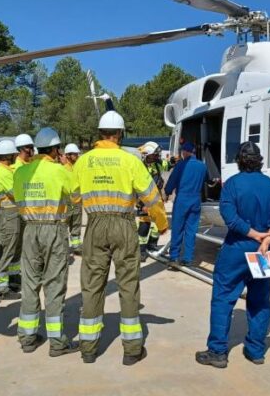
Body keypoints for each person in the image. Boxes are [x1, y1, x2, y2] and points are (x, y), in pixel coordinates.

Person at [73, 111, 169, 365]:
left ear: (100, 133)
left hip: (94, 225)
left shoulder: (84, 161)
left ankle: (88, 349)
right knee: (128, 283)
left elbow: (71, 196)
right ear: (119, 134)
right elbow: (151, 196)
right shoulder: (130, 161)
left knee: (93, 285)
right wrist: (161, 222)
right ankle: (132, 350)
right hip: (123, 225)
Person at [196, 142, 270, 368]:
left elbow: (229, 216)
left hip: (237, 248)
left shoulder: (233, 184)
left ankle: (217, 351)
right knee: (260, 299)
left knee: (223, 298)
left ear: (239, 160)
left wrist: (254, 234)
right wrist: (267, 237)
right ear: (260, 160)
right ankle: (256, 350)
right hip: (265, 249)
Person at [14, 127, 79, 356]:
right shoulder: (58, 171)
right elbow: (76, 193)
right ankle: (57, 342)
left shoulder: (20, 173)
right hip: (53, 228)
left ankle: (27, 337)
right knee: (54, 285)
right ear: (54, 149)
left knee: (30, 284)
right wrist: (66, 166)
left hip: (30, 230)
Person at [164, 141, 210, 269]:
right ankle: (188, 259)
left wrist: (167, 192)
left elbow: (172, 182)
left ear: (184, 152)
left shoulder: (181, 165)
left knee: (177, 229)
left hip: (182, 200)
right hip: (196, 200)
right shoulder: (202, 166)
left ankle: (174, 257)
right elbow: (207, 179)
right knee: (191, 230)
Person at [0, 139, 22, 301]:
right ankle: (1, 289)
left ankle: (12, 281)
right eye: (14, 154)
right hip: (7, 215)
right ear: (9, 155)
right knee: (6, 249)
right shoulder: (3, 173)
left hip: (10, 214)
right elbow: (16, 193)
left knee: (11, 248)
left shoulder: (5, 171)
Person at [136, 141, 164, 262]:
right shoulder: (139, 167)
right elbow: (137, 187)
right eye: (155, 155)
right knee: (144, 226)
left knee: (158, 224)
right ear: (147, 155)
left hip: (156, 200)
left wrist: (174, 161)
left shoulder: (158, 164)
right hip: (144, 201)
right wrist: (142, 204)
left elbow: (166, 164)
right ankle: (141, 250)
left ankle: (152, 245)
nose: (157, 157)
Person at [62, 143, 83, 255]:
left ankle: (76, 246)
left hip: (78, 202)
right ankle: (64, 247)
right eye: (75, 154)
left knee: (76, 224)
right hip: (66, 202)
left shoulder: (79, 167)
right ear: (68, 155)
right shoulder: (62, 169)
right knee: (64, 225)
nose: (77, 156)